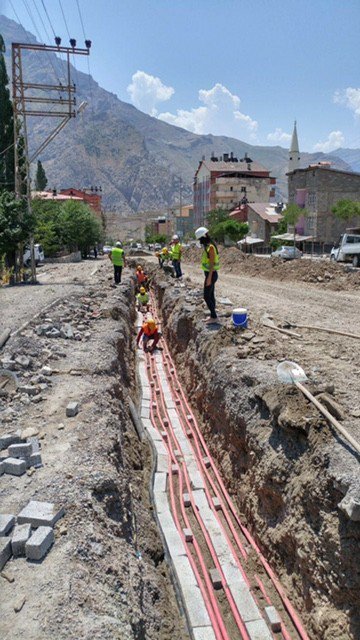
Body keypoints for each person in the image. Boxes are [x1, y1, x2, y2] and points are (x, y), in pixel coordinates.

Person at [195, 226, 220, 323]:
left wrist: (209, 278)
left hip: (211, 274)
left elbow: (212, 264)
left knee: (206, 296)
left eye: (200, 239)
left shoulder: (211, 248)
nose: (200, 241)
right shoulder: (207, 247)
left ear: (203, 237)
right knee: (211, 294)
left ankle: (214, 317)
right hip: (210, 274)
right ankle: (213, 312)